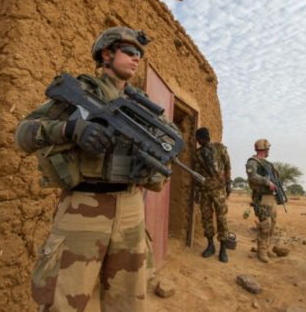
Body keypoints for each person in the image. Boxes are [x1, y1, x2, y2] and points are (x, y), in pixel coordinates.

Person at [15, 26, 168, 311]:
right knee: (64, 301)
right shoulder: (81, 93)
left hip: (131, 209)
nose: (136, 58)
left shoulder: (142, 107)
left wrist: (148, 169)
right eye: (129, 51)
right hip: (82, 208)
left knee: (129, 302)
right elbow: (23, 135)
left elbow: (161, 164)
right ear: (106, 55)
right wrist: (71, 129)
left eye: (140, 54)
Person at [192, 127, 232, 262]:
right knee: (206, 218)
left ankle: (223, 249)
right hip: (205, 191)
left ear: (201, 138)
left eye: (198, 138)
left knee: (222, 218)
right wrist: (197, 191)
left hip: (219, 190)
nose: (198, 141)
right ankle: (210, 246)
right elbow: (196, 174)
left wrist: (229, 183)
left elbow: (227, 165)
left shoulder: (220, 148)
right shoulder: (197, 154)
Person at [246, 139, 282, 263]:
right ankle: (261, 251)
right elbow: (252, 176)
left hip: (271, 197)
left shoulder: (268, 164)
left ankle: (266, 248)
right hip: (261, 197)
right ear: (264, 149)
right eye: (268, 149)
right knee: (265, 224)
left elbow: (276, 178)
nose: (268, 151)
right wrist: (267, 182)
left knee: (273, 224)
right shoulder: (252, 162)